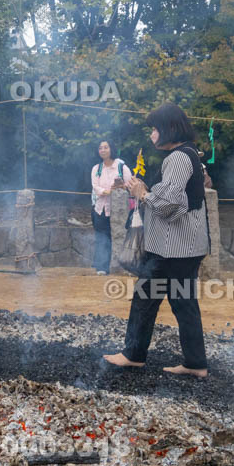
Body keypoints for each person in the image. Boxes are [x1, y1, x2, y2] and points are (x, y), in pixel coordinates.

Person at [103, 103, 210, 377]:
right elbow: (178, 198)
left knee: (144, 297)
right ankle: (195, 363)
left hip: (171, 248)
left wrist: (142, 193)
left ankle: (133, 354)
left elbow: (168, 205)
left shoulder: (176, 158)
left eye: (154, 129)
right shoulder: (190, 156)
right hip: (189, 246)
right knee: (184, 303)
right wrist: (145, 191)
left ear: (168, 129)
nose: (152, 134)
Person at [90, 141, 131, 275]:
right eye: (100, 148)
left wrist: (120, 188)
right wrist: (109, 192)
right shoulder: (97, 168)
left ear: (111, 149)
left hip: (119, 209)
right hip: (101, 208)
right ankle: (102, 267)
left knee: (120, 235)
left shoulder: (121, 167)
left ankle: (122, 265)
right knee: (102, 236)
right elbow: (95, 187)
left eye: (106, 147)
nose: (103, 150)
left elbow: (129, 184)